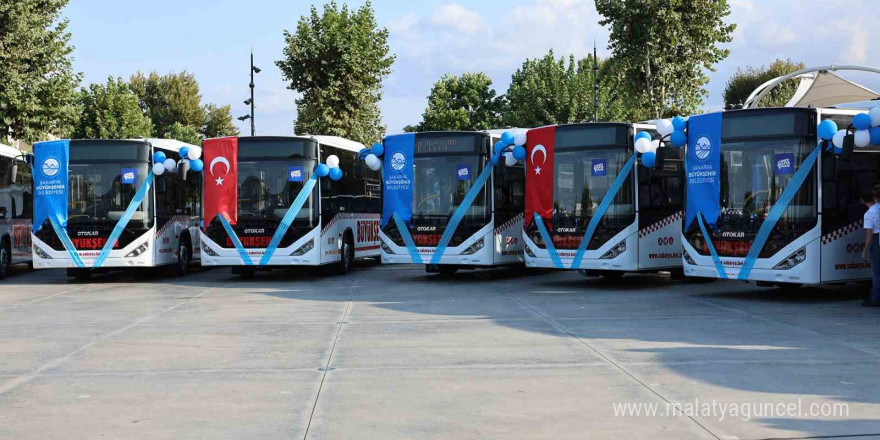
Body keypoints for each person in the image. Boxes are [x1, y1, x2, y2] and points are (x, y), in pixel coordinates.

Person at [860, 191, 880, 307]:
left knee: (876, 272)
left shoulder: (869, 214)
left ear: (862, 200)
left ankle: (875, 298)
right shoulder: (879, 207)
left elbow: (869, 235)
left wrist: (864, 251)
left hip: (877, 240)